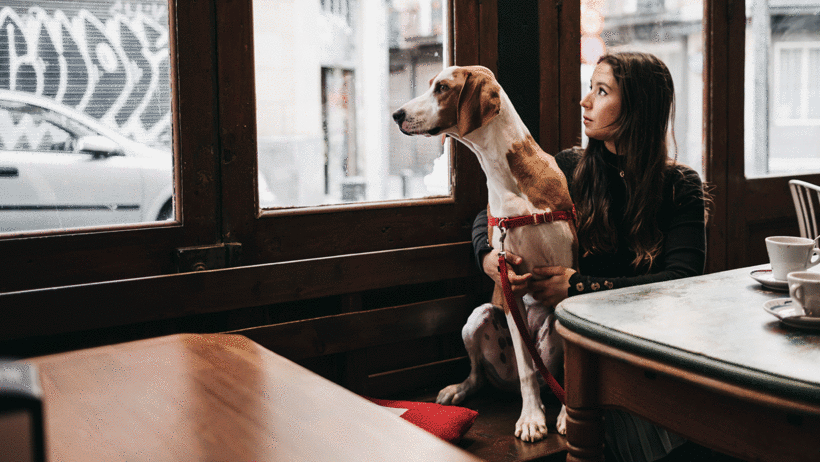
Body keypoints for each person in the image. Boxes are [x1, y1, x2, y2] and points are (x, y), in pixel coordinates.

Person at [471, 51, 710, 462]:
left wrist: (579, 287)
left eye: (601, 91)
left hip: (644, 354)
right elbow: (488, 214)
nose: (585, 102)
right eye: (589, 88)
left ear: (638, 107)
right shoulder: (569, 168)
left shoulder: (679, 185)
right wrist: (488, 257)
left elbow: (683, 279)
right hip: (572, 356)